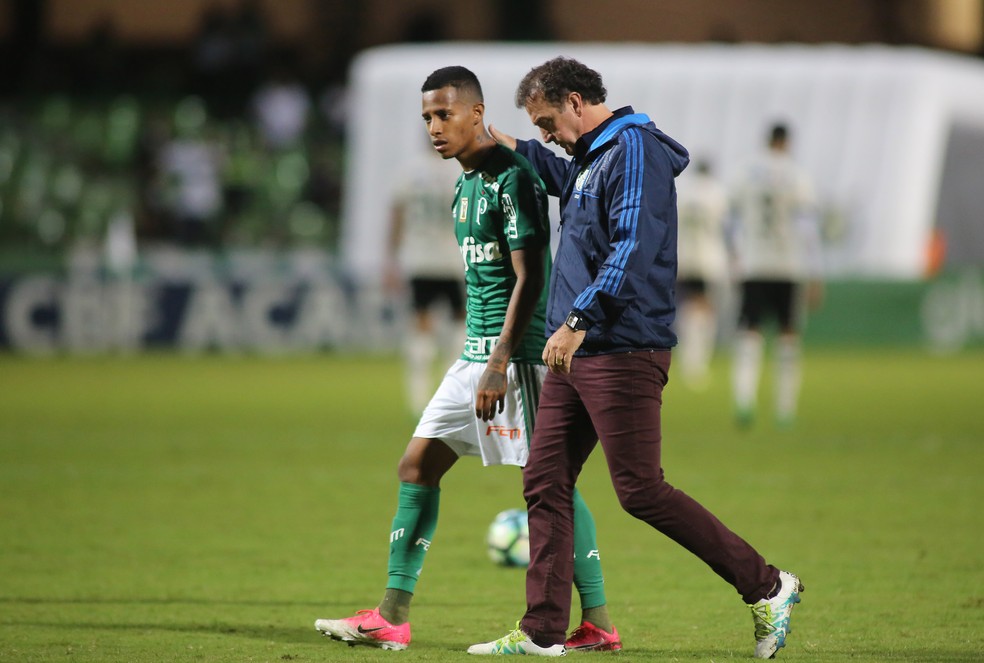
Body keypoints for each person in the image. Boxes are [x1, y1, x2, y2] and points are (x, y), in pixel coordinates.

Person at [472, 57, 803, 658]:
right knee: (544, 481)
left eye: (547, 120)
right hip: (578, 350)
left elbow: (632, 247)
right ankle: (543, 632)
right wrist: (508, 142)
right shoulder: (594, 155)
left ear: (576, 101)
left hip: (620, 346)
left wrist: (577, 320)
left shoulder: (635, 151)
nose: (546, 133)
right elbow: (562, 174)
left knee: (640, 490)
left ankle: (769, 585)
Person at [314, 66, 621, 653]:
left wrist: (501, 360)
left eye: (445, 114)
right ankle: (391, 617)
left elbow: (532, 278)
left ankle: (600, 619)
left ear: (477, 114)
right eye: (427, 116)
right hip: (474, 357)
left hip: (520, 358)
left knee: (550, 484)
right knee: (417, 466)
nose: (435, 126)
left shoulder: (514, 178)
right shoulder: (464, 186)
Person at [729, 123, 821, 429]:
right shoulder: (797, 175)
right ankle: (784, 409)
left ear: (767, 141)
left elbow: (733, 219)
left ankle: (744, 401)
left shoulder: (746, 172)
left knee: (749, 334)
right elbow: (808, 227)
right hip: (788, 266)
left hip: (755, 264)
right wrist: (815, 273)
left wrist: (734, 255)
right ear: (787, 142)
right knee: (788, 336)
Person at [384, 144, 467, 416]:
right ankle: (450, 388)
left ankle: (418, 392)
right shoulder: (460, 169)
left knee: (421, 323)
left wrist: (391, 259)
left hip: (419, 258)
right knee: (462, 321)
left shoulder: (410, 171)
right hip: (455, 258)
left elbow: (397, 215)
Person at [675, 158, 729, 390]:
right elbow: (725, 227)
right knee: (706, 309)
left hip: (686, 255)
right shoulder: (717, 193)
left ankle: (688, 360)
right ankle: (698, 363)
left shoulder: (684, 192)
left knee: (688, 307)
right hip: (709, 258)